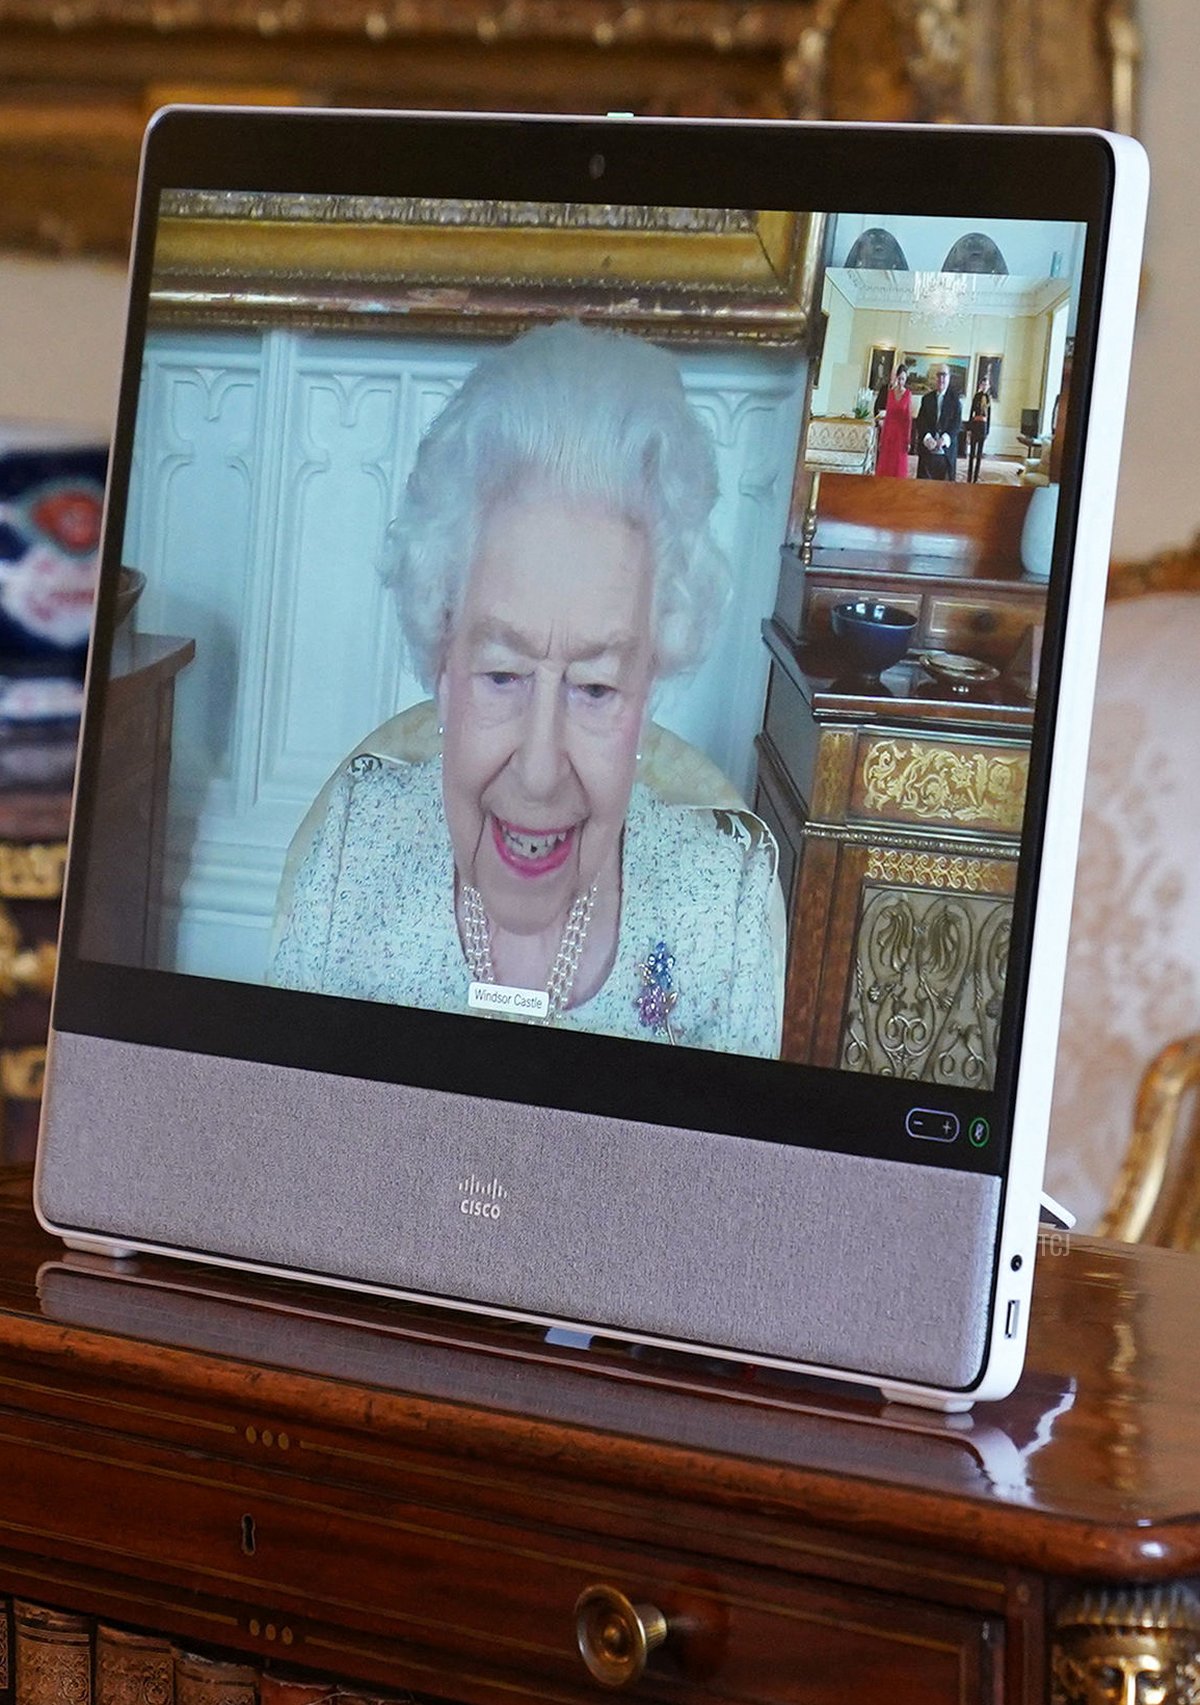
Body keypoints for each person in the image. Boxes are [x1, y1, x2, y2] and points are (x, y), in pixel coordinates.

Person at [270, 321, 783, 1058]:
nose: (540, 771)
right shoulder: (354, 854)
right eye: (503, 675)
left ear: (649, 688)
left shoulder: (721, 917)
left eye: (597, 688)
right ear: (443, 665)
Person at [915, 365, 963, 480]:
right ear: (935, 378)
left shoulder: (955, 400)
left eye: (944, 375)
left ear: (949, 378)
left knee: (945, 492)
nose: (941, 379)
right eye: (939, 375)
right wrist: (927, 437)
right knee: (923, 491)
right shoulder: (926, 399)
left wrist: (944, 439)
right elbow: (921, 421)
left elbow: (957, 424)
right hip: (928, 452)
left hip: (946, 454)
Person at [874, 363, 913, 478]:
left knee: (898, 465)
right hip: (889, 432)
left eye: (903, 379)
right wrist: (882, 438)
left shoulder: (908, 394)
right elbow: (888, 416)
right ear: (896, 378)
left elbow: (908, 419)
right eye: (899, 378)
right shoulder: (890, 393)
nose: (901, 382)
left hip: (901, 434)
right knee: (886, 464)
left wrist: (908, 440)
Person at [966, 372, 992, 483]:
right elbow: (971, 412)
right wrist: (969, 428)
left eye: (986, 384)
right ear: (980, 385)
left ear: (988, 386)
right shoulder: (976, 396)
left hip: (983, 427)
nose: (984, 386)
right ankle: (969, 477)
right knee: (972, 453)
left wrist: (987, 431)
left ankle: (975, 478)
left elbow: (989, 416)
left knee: (979, 454)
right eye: (983, 384)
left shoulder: (989, 398)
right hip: (975, 426)